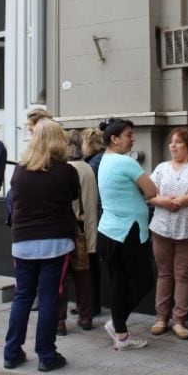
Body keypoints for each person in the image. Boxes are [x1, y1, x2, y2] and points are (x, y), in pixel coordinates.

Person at [3, 119, 80, 372]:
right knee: (49, 298)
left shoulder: (20, 170)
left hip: (23, 241)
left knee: (22, 297)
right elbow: (72, 197)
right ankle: (46, 355)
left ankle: (12, 352)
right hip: (55, 242)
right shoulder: (66, 171)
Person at [97, 118, 157, 351]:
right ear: (114, 138)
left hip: (109, 231)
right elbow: (152, 191)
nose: (133, 138)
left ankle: (120, 334)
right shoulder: (126, 162)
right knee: (144, 281)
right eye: (129, 134)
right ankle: (117, 324)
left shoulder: (104, 160)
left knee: (119, 282)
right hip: (128, 232)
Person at [146, 128, 188, 340]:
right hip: (162, 228)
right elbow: (148, 194)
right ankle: (161, 318)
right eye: (171, 142)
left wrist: (181, 200)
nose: (173, 146)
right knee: (164, 273)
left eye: (178, 142)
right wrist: (162, 201)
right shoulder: (162, 168)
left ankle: (179, 320)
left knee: (183, 275)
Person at [57, 129, 98, 335]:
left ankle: (60, 321)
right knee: (84, 276)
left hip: (68, 230)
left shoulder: (65, 169)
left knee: (61, 277)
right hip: (87, 231)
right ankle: (86, 316)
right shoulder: (88, 168)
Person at [81, 126, 106, 315]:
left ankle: (92, 305)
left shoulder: (93, 164)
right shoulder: (100, 159)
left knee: (91, 263)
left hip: (94, 217)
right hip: (100, 216)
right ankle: (92, 304)